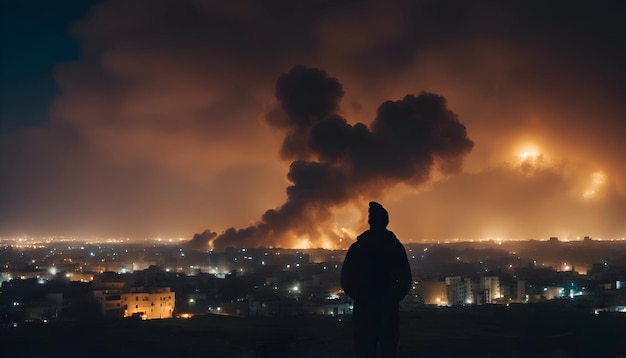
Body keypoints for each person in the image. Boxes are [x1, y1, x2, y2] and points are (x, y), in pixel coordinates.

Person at [341, 202, 412, 358]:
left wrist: (361, 296)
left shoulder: (358, 248)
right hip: (385, 311)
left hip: (367, 311)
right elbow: (406, 280)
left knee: (366, 350)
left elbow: (346, 279)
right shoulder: (394, 248)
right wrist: (391, 298)